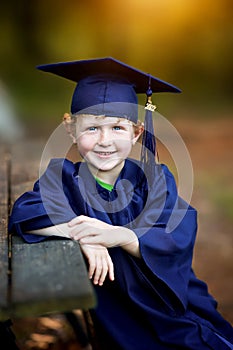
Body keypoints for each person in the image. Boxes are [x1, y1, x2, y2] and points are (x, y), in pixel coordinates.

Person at [9, 57, 233, 349]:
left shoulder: (155, 181)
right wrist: (84, 235)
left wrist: (121, 235)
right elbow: (26, 211)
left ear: (136, 132)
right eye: (92, 128)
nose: (105, 140)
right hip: (122, 323)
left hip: (176, 310)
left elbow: (176, 234)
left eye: (117, 128)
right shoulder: (63, 179)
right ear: (70, 130)